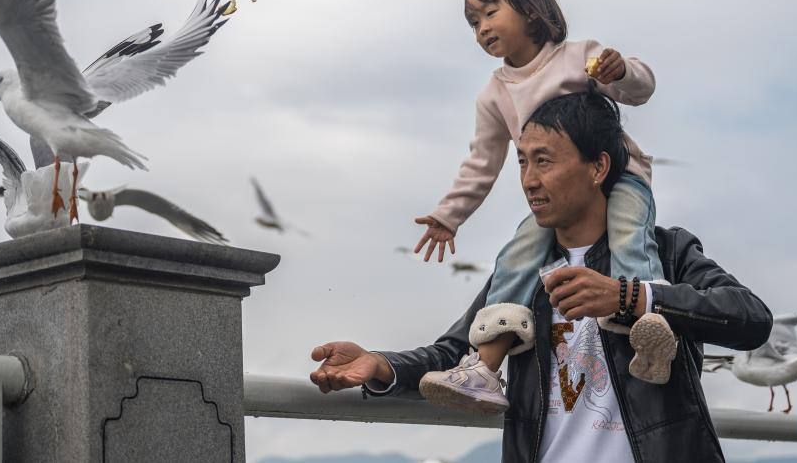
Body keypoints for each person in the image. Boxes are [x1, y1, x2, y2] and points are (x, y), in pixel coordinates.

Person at [310, 91, 773, 463]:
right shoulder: (522, 269)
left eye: (544, 161)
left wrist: (630, 296)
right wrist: (380, 366)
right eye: (522, 162)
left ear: (598, 167)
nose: (529, 179)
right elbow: (455, 352)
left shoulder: (666, 252)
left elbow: (751, 319)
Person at [412, 0, 667, 410]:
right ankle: (484, 369)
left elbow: (640, 91)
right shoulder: (495, 93)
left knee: (631, 237)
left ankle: (652, 335)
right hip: (559, 203)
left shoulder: (577, 56)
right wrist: (449, 215)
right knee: (516, 257)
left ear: (531, 9)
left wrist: (620, 70)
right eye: (473, 22)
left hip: (622, 176)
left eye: (490, 13)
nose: (482, 29)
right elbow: (482, 162)